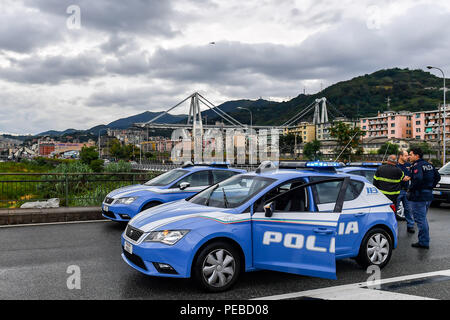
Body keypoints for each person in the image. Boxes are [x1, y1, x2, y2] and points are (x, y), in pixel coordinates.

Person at [408, 147, 441, 249]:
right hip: (428, 195)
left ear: (417, 156)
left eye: (411, 154)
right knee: (423, 219)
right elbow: (438, 177)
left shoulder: (418, 165)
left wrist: (410, 189)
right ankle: (424, 240)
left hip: (419, 196)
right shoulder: (429, 165)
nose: (409, 156)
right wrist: (431, 186)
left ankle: (423, 242)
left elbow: (418, 179)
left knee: (420, 220)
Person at [396, 150, 414, 233]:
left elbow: (411, 175)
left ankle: (410, 226)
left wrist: (408, 177)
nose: (408, 157)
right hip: (397, 191)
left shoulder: (408, 165)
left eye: (408, 155)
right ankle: (394, 226)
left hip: (406, 190)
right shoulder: (396, 166)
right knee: (394, 209)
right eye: (406, 155)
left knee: (408, 209)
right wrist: (405, 178)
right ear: (400, 156)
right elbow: (401, 178)